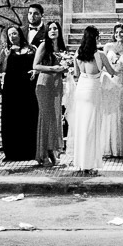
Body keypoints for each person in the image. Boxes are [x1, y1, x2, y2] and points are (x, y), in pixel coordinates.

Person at [69, 25, 117, 174]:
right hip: (92, 91)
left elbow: (76, 73)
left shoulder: (78, 53)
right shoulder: (100, 55)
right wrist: (114, 61)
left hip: (81, 90)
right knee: (91, 127)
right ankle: (89, 164)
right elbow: (112, 72)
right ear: (96, 38)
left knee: (81, 126)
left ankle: (81, 162)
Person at [30, 20, 68, 164]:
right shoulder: (43, 45)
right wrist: (53, 68)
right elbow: (36, 65)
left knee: (56, 118)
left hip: (57, 84)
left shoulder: (61, 47)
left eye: (55, 28)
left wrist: (65, 68)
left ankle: (53, 152)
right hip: (44, 83)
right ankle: (44, 154)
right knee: (46, 119)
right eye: (50, 29)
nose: (53, 31)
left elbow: (65, 66)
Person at [0, 25, 37, 161]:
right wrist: (6, 56)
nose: (12, 37)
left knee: (29, 116)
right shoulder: (6, 51)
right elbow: (2, 69)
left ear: (20, 34)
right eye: (9, 35)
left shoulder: (32, 49)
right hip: (12, 89)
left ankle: (30, 150)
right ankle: (13, 152)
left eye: (14, 33)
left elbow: (36, 65)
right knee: (12, 119)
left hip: (28, 88)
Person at [102, 23, 123, 157]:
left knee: (120, 111)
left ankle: (120, 146)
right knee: (108, 111)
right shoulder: (108, 47)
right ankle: (106, 146)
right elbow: (101, 64)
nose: (118, 35)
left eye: (121, 32)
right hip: (108, 80)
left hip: (121, 80)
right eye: (116, 32)